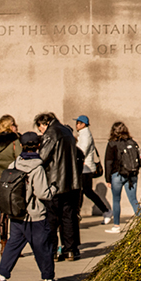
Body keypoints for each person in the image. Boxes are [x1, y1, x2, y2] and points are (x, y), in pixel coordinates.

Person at [0, 131, 64, 281]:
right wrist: (53, 188)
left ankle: (1, 277)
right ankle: (48, 279)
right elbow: (42, 193)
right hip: (34, 216)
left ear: (22, 146)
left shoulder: (15, 164)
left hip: (16, 214)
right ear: (38, 146)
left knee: (12, 246)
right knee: (43, 247)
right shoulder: (37, 168)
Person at [35, 111, 82, 262]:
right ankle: (70, 250)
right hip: (70, 181)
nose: (40, 131)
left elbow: (42, 156)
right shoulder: (67, 131)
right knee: (67, 217)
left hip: (54, 181)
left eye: (40, 128)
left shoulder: (51, 133)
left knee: (52, 218)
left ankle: (52, 251)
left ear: (44, 123)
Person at [104, 121, 141, 233]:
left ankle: (116, 226)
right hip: (132, 175)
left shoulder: (112, 144)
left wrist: (108, 178)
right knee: (134, 200)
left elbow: (108, 162)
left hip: (117, 175)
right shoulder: (133, 142)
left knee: (116, 200)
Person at [0, 115, 21, 235]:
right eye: (14, 124)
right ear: (9, 127)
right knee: (14, 205)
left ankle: (0, 231)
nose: (16, 127)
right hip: (12, 179)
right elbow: (20, 159)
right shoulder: (15, 142)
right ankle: (14, 233)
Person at [74, 115, 110, 221]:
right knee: (84, 191)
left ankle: (105, 211)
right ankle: (105, 211)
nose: (76, 125)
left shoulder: (85, 135)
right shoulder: (83, 134)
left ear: (83, 124)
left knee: (85, 191)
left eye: (78, 123)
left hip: (85, 168)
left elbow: (81, 152)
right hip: (84, 168)